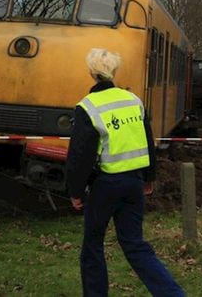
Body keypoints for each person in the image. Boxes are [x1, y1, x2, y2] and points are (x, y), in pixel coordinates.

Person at [65, 48, 185, 297]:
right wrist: (149, 177)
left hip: (105, 186)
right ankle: (172, 294)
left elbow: (81, 155)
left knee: (93, 246)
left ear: (91, 72)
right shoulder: (134, 101)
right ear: (114, 72)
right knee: (135, 245)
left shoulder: (87, 107)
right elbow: (148, 141)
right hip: (134, 184)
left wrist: (75, 191)